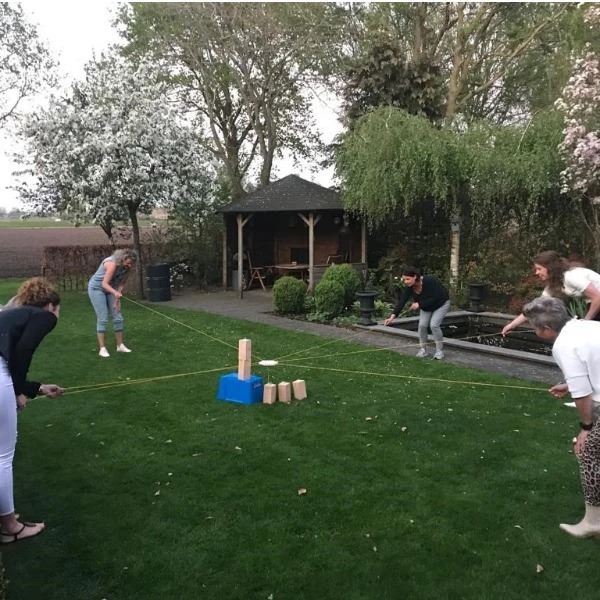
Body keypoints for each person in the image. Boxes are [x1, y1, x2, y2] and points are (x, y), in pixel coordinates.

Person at [523, 296, 600, 538]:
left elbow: (583, 395)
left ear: (546, 328)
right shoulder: (585, 326)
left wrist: (586, 427)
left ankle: (593, 523)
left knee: (588, 451)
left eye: (534, 327)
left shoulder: (563, 345)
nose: (533, 331)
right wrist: (569, 384)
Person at [0, 277, 64, 543]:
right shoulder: (44, 316)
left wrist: (37, 388)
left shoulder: (15, 314)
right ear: (51, 305)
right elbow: (23, 352)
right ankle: (10, 527)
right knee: (2, 456)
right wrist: (19, 391)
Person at [502, 250, 600, 336]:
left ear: (550, 267)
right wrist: (512, 325)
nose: (536, 273)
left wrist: (586, 321)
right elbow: (536, 308)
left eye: (539, 269)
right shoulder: (555, 284)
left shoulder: (570, 276)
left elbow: (597, 297)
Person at [383, 267, 451, 359]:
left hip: (441, 303)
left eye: (408, 279)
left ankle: (439, 351)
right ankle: (423, 350)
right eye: (404, 279)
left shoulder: (430, 281)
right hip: (426, 307)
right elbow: (402, 301)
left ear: (415, 277)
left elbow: (436, 298)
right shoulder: (410, 287)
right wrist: (392, 317)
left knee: (434, 325)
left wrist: (419, 304)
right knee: (422, 326)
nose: (405, 282)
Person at [88, 248, 138, 358]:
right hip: (97, 289)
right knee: (103, 318)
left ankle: (120, 345)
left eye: (132, 264)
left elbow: (122, 283)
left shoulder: (127, 268)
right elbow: (104, 284)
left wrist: (117, 299)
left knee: (118, 316)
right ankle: (102, 349)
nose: (130, 266)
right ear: (123, 258)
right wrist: (115, 293)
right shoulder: (111, 264)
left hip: (111, 289)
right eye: (129, 263)